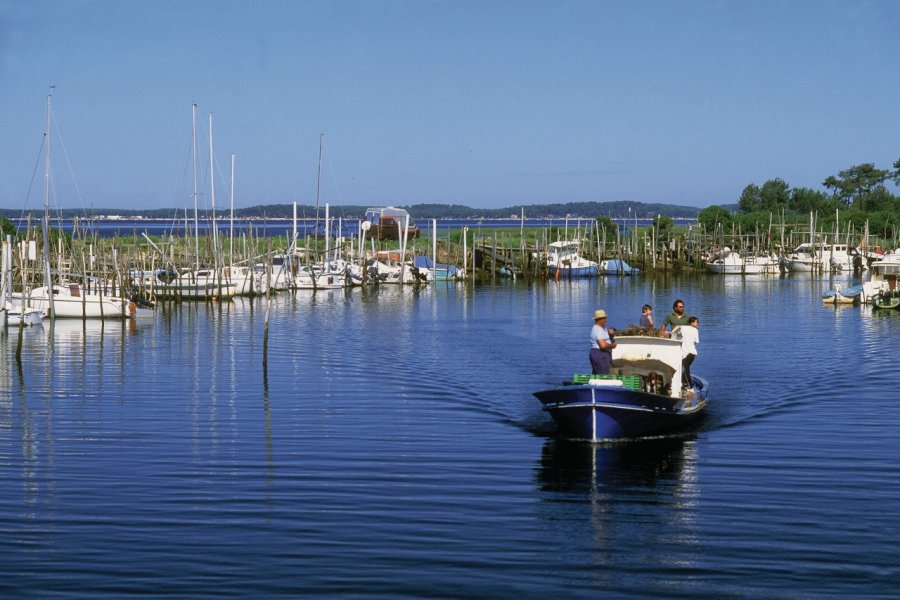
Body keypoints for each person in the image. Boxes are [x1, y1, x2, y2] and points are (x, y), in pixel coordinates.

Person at [589, 309, 617, 375]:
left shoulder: (600, 328)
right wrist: (613, 345)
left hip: (597, 353)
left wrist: (610, 334)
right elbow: (603, 345)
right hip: (600, 354)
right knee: (603, 376)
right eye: (604, 318)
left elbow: (603, 339)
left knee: (598, 376)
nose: (606, 320)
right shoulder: (598, 329)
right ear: (599, 319)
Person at [679, 316, 699, 389]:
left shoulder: (682, 328)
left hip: (684, 353)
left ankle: (687, 384)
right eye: (696, 322)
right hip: (692, 353)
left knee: (685, 368)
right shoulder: (695, 330)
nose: (698, 324)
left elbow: (677, 333)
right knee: (686, 368)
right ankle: (689, 385)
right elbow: (696, 342)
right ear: (692, 322)